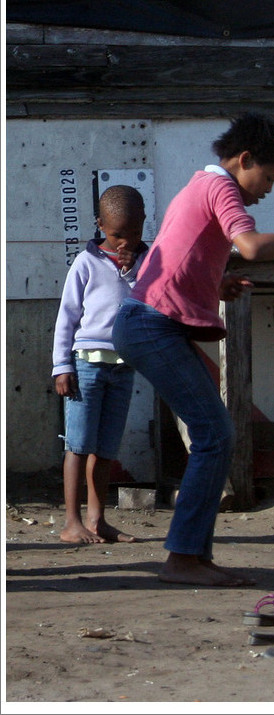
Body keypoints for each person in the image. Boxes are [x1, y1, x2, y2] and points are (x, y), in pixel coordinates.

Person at [112, 112, 274, 586]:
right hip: (150, 326)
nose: (269, 188)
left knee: (214, 433)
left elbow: (178, 256)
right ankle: (182, 558)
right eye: (270, 176)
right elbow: (253, 246)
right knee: (215, 434)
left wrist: (215, 284)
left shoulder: (199, 186)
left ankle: (193, 555)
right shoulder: (221, 188)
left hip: (148, 324)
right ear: (244, 160)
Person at [52, 185, 148, 544]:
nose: (125, 241)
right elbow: (67, 317)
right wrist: (61, 365)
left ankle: (98, 519)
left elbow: (151, 299)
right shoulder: (86, 262)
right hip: (86, 367)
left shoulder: (147, 262)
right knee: (77, 444)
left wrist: (134, 269)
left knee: (105, 448)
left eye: (134, 234)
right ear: (100, 225)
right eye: (117, 234)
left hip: (123, 367)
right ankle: (71, 522)